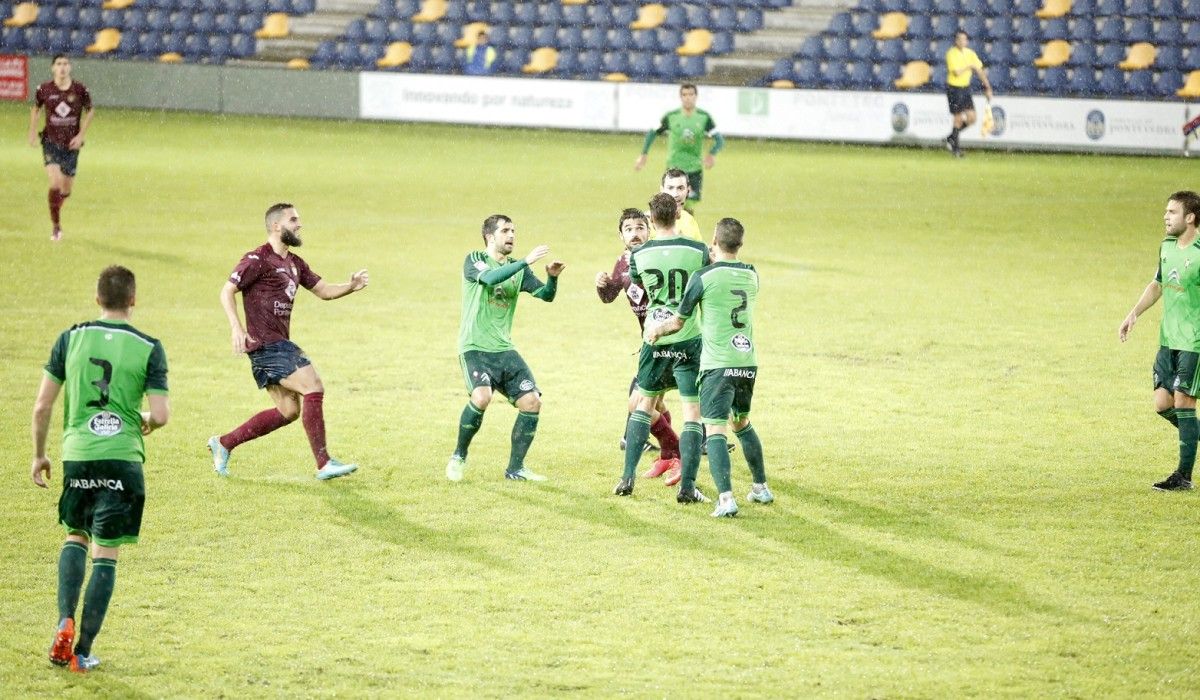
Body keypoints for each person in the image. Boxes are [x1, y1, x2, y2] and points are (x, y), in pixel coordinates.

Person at [31, 265, 169, 673]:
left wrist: (39, 455)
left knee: (74, 535)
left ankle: (63, 621)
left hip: (78, 455)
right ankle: (82, 650)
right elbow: (161, 415)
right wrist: (144, 418)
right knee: (105, 554)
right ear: (133, 299)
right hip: (122, 459)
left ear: (97, 299)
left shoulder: (69, 338)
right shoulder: (148, 346)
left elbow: (42, 406)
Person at [207, 203, 368, 481]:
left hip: (277, 343)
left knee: (289, 410)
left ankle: (224, 443)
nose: (299, 224)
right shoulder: (257, 259)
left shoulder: (294, 263)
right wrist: (236, 327)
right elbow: (227, 291)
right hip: (266, 345)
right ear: (276, 226)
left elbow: (323, 290)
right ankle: (324, 463)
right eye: (293, 220)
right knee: (313, 386)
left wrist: (350, 286)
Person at [647, 218, 773, 517]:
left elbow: (678, 321)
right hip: (746, 362)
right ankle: (761, 487)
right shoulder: (752, 275)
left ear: (714, 240)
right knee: (741, 422)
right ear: (740, 243)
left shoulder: (703, 277)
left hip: (717, 365)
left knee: (715, 429)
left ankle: (726, 499)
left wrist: (656, 331)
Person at [447, 214, 565, 482]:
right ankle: (458, 455)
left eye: (513, 230)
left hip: (504, 349)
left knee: (532, 402)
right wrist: (524, 261)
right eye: (505, 231)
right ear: (490, 236)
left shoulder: (518, 270)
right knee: (481, 397)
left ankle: (516, 468)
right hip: (474, 347)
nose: (511, 235)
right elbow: (488, 279)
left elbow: (545, 296)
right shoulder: (474, 259)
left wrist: (552, 279)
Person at [615, 193, 711, 503]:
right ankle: (688, 488)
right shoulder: (697, 250)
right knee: (692, 413)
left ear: (652, 221)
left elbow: (643, 288)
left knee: (644, 405)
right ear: (677, 217)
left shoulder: (638, 256)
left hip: (654, 338)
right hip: (688, 337)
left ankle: (627, 479)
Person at [1119, 190, 1200, 491]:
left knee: (1184, 401)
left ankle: (1183, 476)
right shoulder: (1166, 247)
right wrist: (1134, 313)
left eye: (1172, 212)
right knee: (1162, 403)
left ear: (1190, 217)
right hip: (1168, 339)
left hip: (1194, 341)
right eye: (1166, 212)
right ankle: (1190, 441)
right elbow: (1157, 284)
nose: (1165, 217)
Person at [596, 208, 681, 481]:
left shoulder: (660, 256)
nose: (635, 233)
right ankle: (670, 456)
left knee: (639, 404)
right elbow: (610, 296)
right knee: (654, 403)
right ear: (621, 235)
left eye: (640, 227)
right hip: (651, 344)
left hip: (673, 340)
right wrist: (602, 285)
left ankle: (676, 452)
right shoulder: (622, 262)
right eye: (629, 229)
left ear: (650, 229)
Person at [27, 54, 93, 241]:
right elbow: (36, 108)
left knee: (65, 191)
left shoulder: (80, 89)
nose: (62, 67)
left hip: (71, 145)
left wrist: (81, 135)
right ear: (53, 68)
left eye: (65, 64)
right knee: (55, 184)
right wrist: (32, 131)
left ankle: (54, 208)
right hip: (50, 142)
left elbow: (91, 111)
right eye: (58, 64)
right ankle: (56, 226)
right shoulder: (44, 89)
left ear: (70, 67)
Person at [634, 84, 724, 212]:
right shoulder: (672, 116)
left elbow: (720, 140)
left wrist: (712, 154)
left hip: (694, 169)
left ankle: (685, 232)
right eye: (684, 95)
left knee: (688, 209)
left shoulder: (704, 117)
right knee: (670, 208)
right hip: (673, 169)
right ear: (680, 97)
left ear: (696, 96)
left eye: (691, 94)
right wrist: (644, 154)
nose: (688, 98)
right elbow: (652, 132)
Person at [943, 30, 993, 158]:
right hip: (954, 88)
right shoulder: (951, 54)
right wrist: (969, 66)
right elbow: (956, 73)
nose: (963, 42)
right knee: (958, 118)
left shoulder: (970, 54)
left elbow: (979, 71)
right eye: (960, 39)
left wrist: (987, 87)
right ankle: (956, 149)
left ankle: (951, 137)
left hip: (965, 88)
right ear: (956, 41)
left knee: (972, 118)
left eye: (965, 39)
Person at [657, 169, 702, 240]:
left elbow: (699, 249)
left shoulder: (689, 220)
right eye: (670, 188)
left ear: (688, 191)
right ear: (662, 190)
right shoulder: (648, 221)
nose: (675, 194)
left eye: (680, 188)